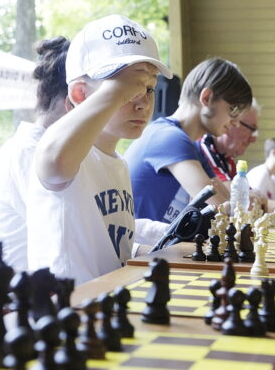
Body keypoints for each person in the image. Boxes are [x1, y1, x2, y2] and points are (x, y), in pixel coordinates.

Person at [26, 15, 172, 285]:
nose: (142, 103)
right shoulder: (67, 153)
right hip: (68, 314)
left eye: (149, 89)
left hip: (107, 305)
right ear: (80, 95)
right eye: (127, 90)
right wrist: (116, 92)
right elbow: (54, 161)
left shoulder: (119, 163)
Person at [125, 58, 252, 223]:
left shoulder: (193, 148)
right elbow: (223, 211)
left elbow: (230, 204)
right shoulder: (169, 137)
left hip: (159, 246)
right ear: (206, 98)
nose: (236, 122)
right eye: (233, 110)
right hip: (140, 247)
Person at [0, 36, 71, 270]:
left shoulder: (58, 149)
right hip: (30, 296)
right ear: (76, 96)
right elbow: (69, 235)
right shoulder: (28, 152)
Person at [198, 98, 261, 185]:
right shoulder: (204, 147)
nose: (253, 139)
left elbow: (246, 192)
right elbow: (230, 192)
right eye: (252, 129)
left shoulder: (228, 159)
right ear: (231, 122)